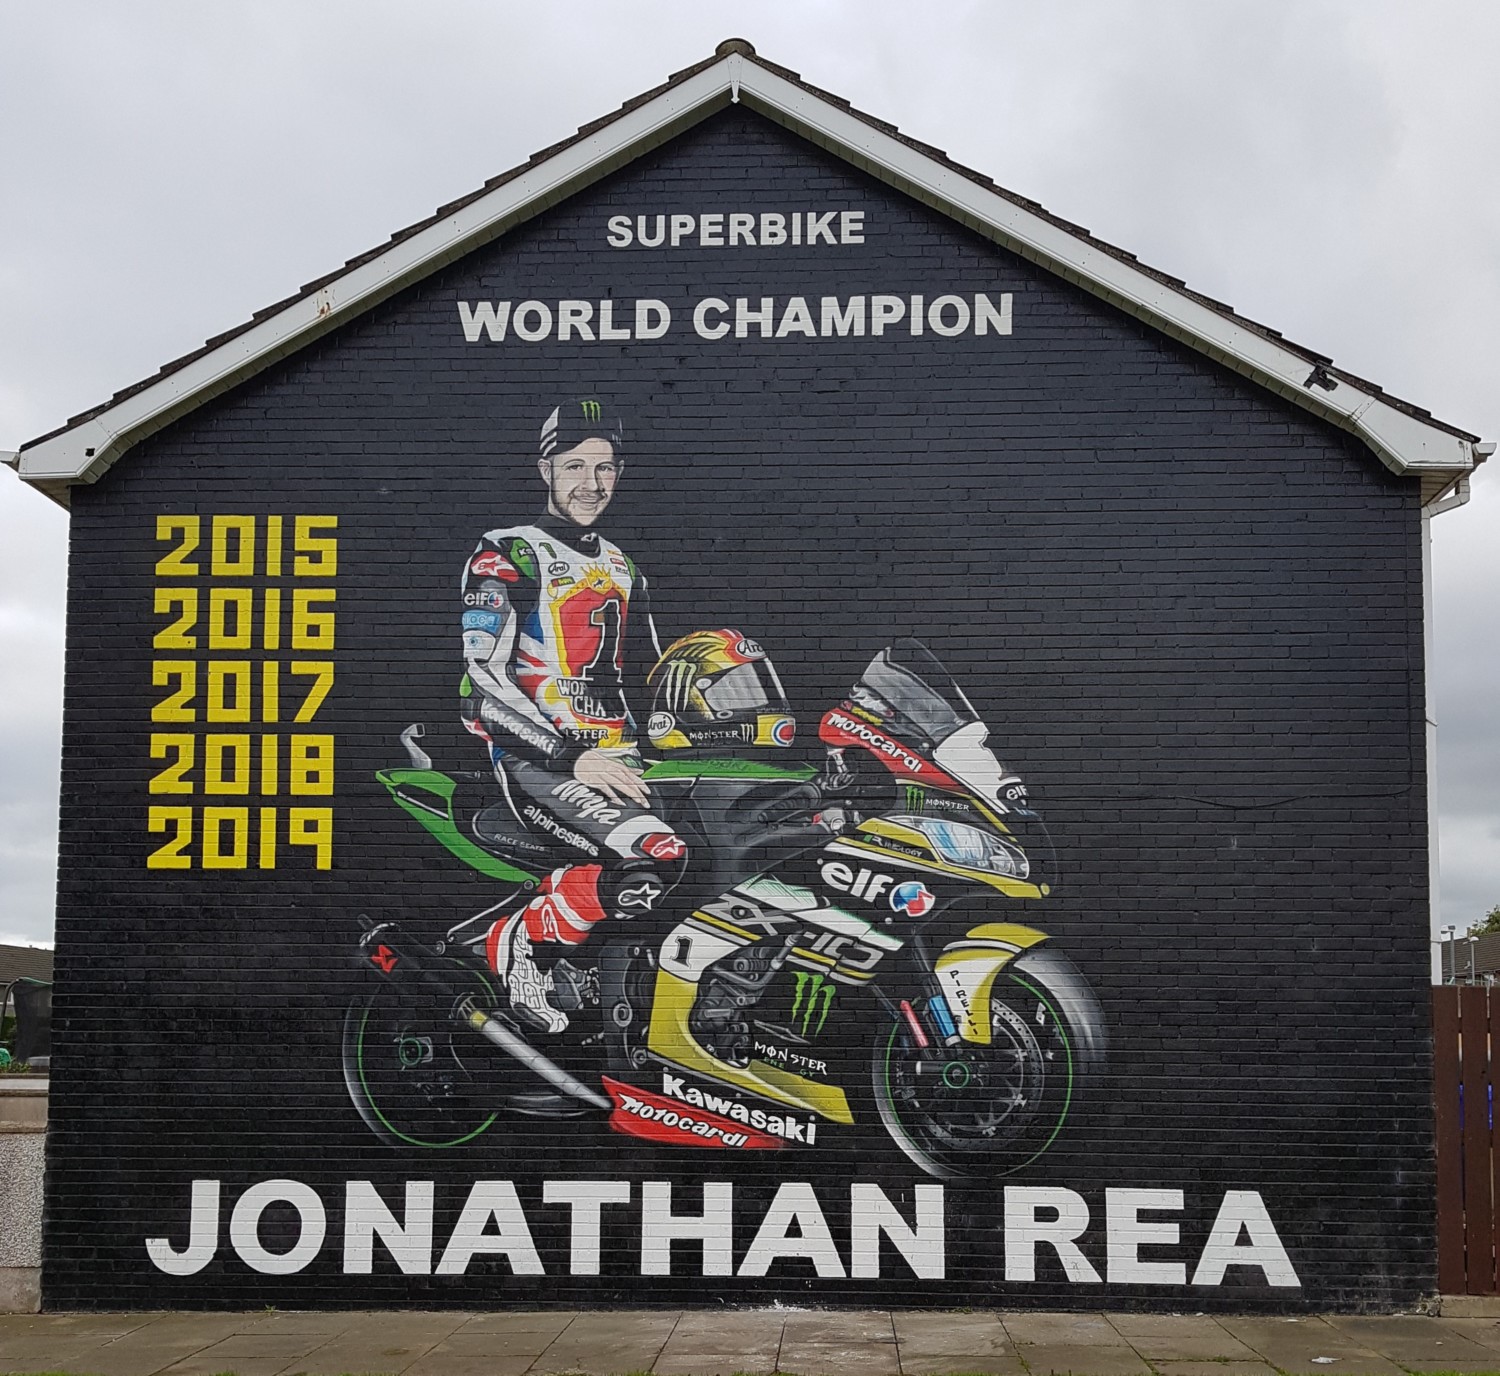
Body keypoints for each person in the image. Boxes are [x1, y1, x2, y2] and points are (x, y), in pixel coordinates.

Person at [460, 398, 687, 1032]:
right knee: (657, 855)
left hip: (623, 761)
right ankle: (518, 938)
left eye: (605, 468)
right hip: (542, 762)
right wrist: (571, 757)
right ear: (546, 470)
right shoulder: (506, 553)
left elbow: (653, 683)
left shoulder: (623, 567)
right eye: (574, 467)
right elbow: (480, 689)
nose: (591, 483)